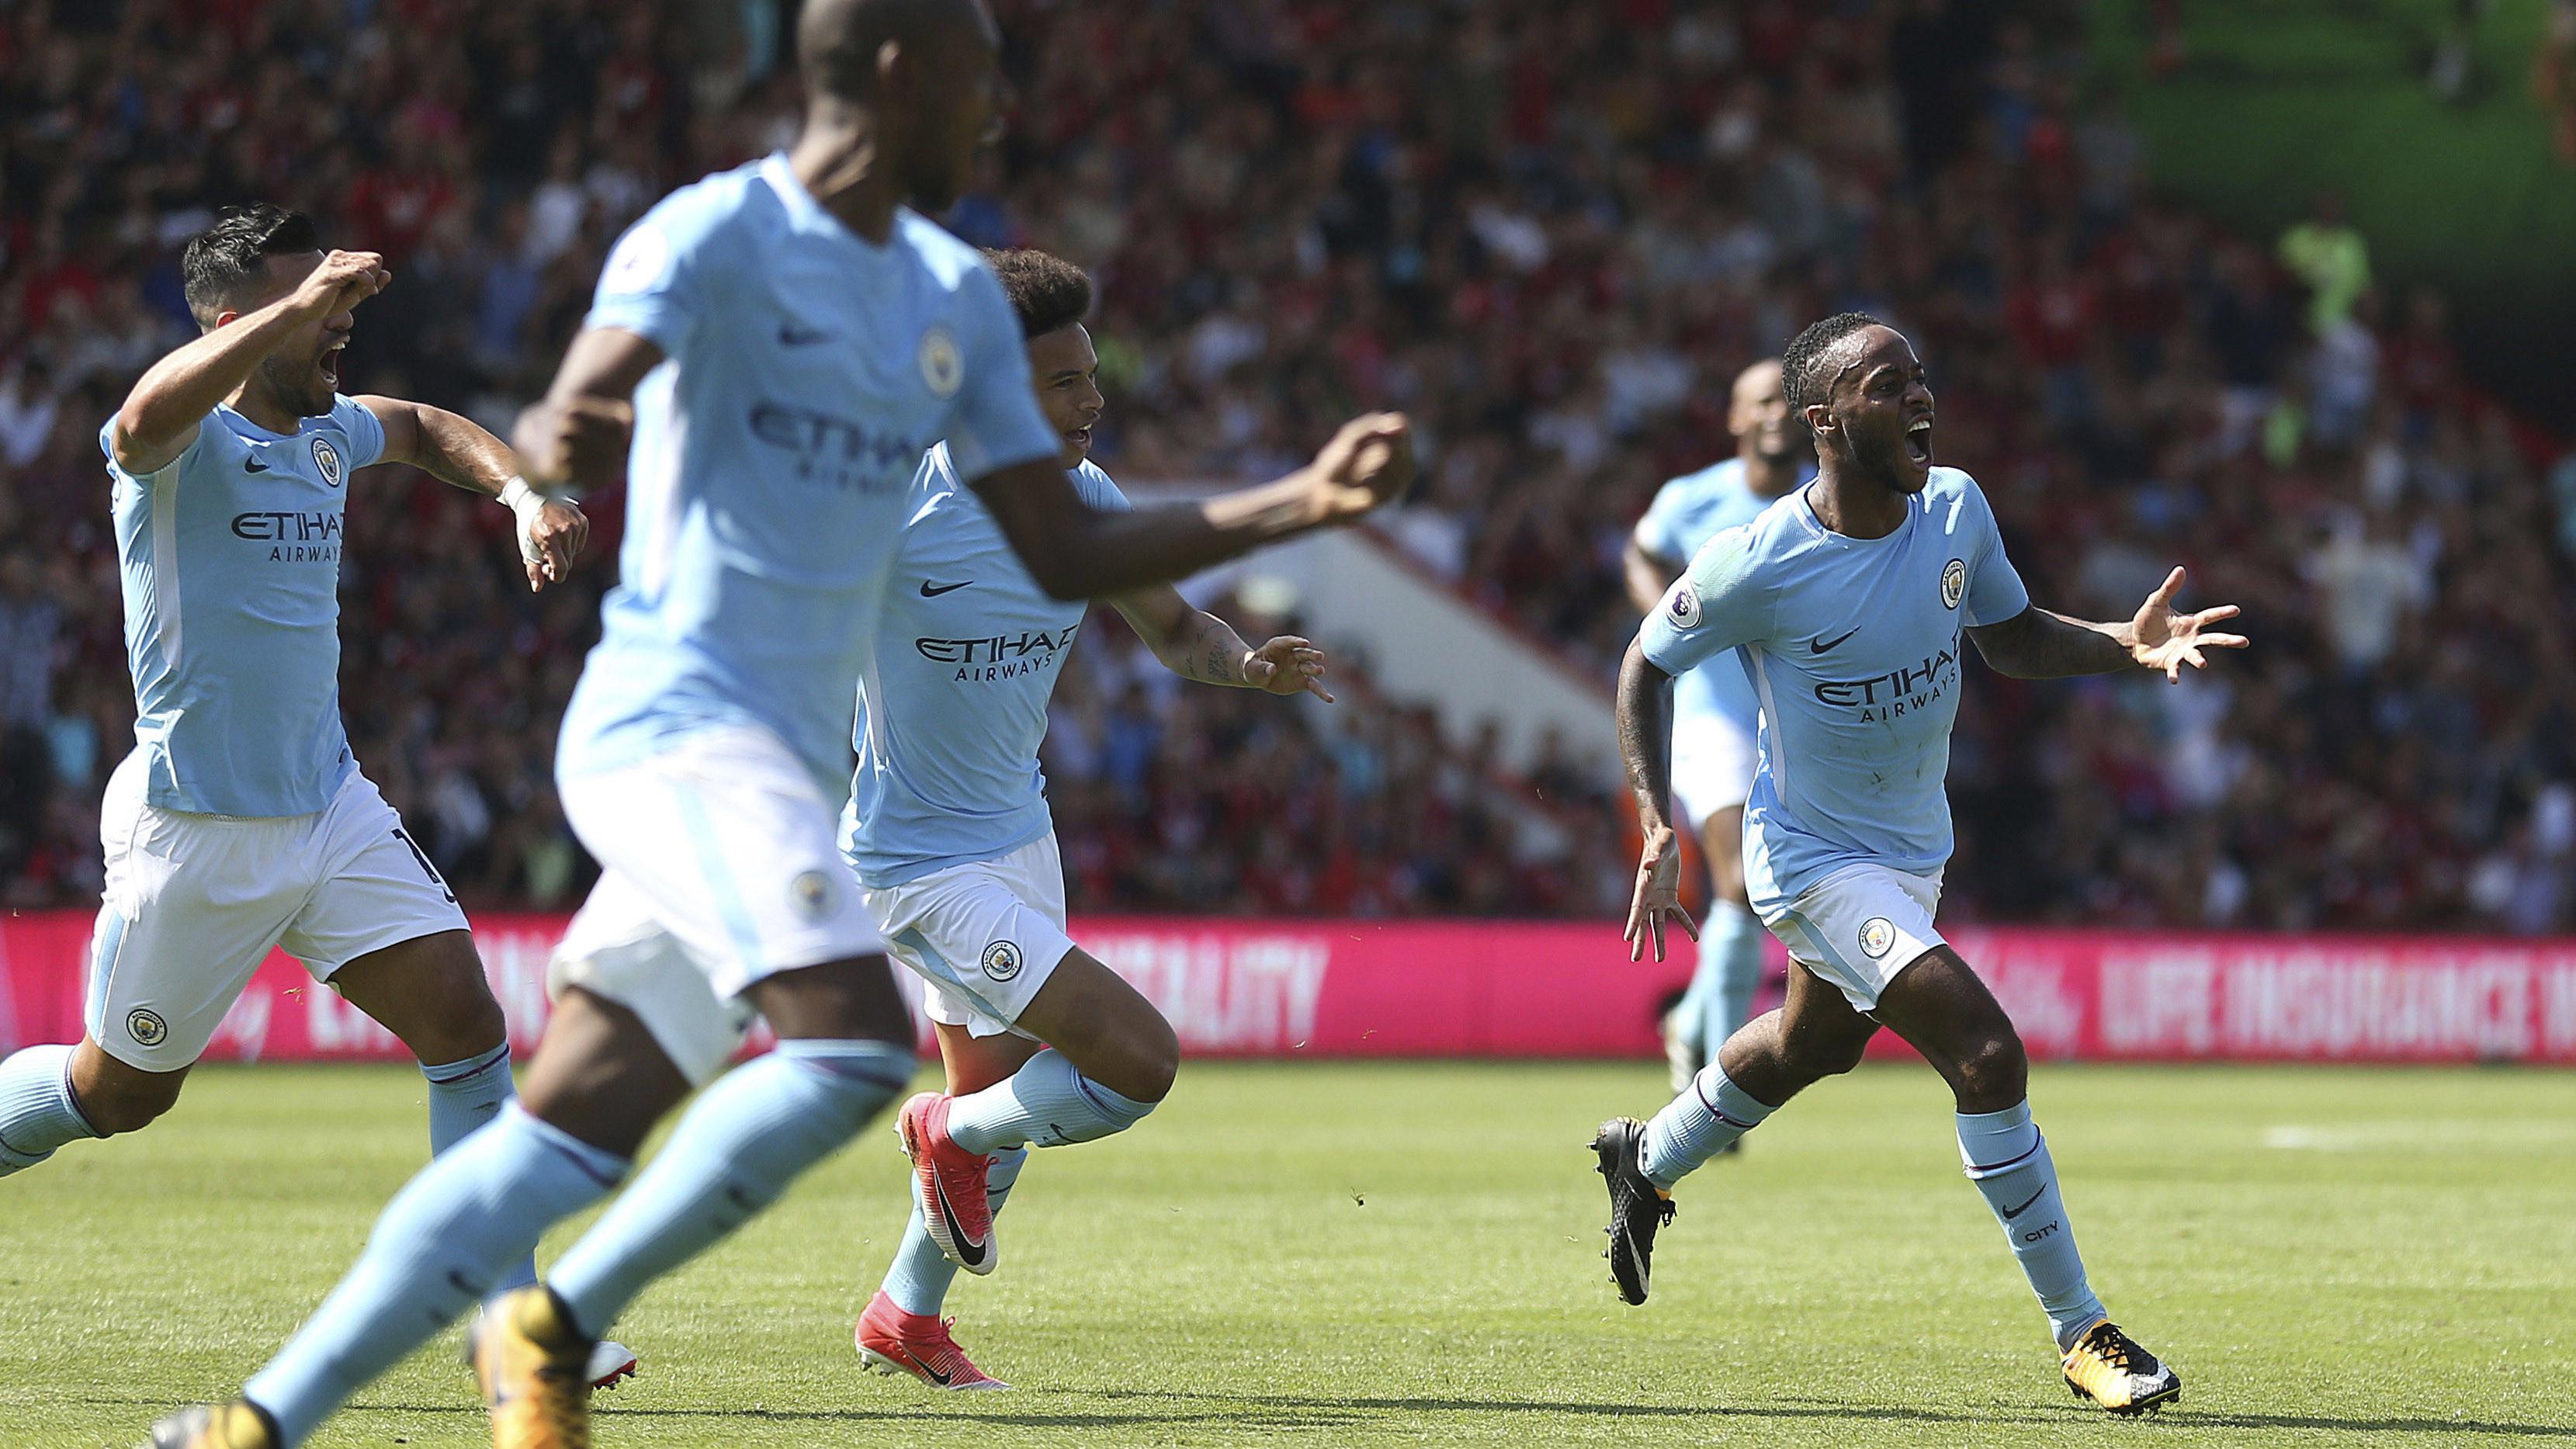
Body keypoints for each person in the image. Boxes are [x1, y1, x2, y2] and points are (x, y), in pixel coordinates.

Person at [146, 2, 1412, 1444]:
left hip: (782, 771)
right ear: (891, 74)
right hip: (679, 720)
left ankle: (257, 1421)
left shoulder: (942, 298)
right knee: (852, 1047)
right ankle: (548, 1337)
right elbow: (573, 409)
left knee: (572, 1123)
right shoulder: (711, 239)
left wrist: (1292, 507)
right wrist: (550, 462)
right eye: (976, 79)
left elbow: (1063, 549)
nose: (993, 112)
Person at [0, 202, 633, 1386]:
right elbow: (140, 414)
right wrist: (294, 306)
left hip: (328, 804)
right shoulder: (175, 451)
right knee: (116, 1092)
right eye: (314, 309)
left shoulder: (329, 430)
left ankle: (505, 1317)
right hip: (196, 826)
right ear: (242, 323)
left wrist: (520, 495)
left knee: (466, 1024)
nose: (337, 327)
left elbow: (432, 427)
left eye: (336, 305)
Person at [1592, 312, 2245, 1416]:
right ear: (1824, 421)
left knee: (1810, 1045)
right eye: (1887, 386)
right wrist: (1655, 816)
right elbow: (1642, 665)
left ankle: (1643, 1157)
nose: (1918, 401)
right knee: (1986, 1054)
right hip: (1808, 857)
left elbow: (2009, 634)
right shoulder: (1760, 561)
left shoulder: (1953, 508)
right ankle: (2080, 1327)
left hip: (1909, 849)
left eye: (1919, 381)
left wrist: (2120, 645)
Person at [850, 248, 1337, 1389]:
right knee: (1130, 1061)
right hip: (916, 857)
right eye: (1064, 379)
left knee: (1003, 1109)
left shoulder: (1084, 497)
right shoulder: (891, 504)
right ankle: (939, 1133)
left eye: (1090, 375)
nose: (1093, 399)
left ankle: (905, 1314)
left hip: (1019, 833)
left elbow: (1174, 629)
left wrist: (1245, 667)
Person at [1621, 358, 1812, 1099]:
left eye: (1787, 404)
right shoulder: (1691, 497)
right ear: (1734, 418)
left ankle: (1693, 1027)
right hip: (1711, 717)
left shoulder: (1819, 506)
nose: (1775, 414)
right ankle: (1719, 1077)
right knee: (1738, 883)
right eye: (1760, 401)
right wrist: (1663, 620)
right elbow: (1640, 550)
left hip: (1792, 725)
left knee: (1763, 895)